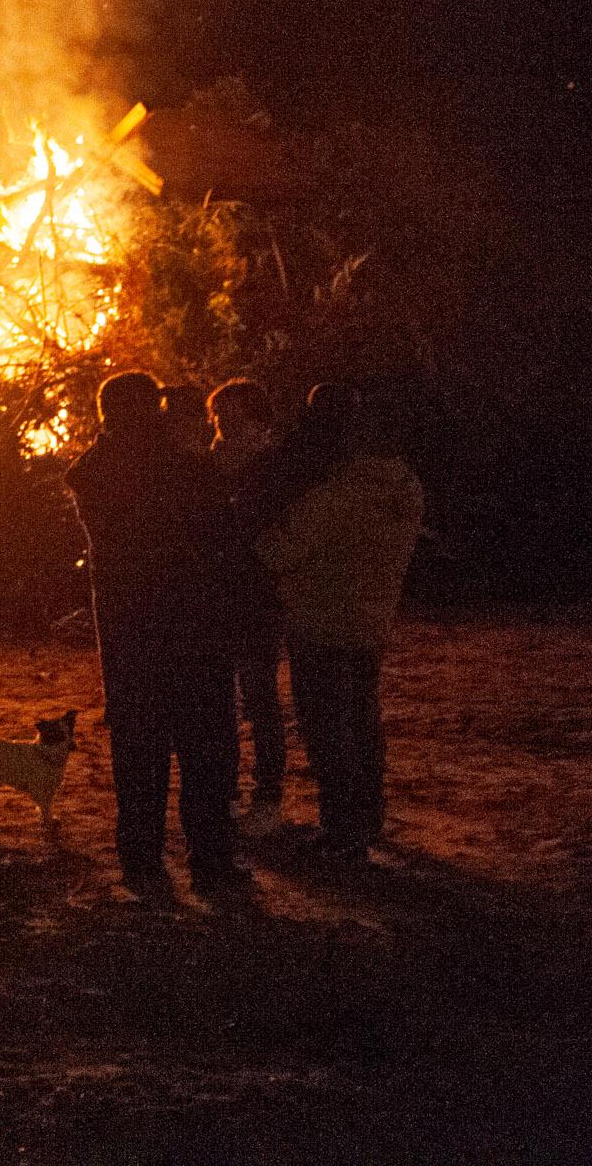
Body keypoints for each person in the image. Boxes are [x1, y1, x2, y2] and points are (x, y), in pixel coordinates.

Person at [66, 372, 243, 896]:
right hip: (196, 627)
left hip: (130, 632)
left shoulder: (94, 474)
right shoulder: (188, 470)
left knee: (138, 750)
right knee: (206, 749)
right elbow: (221, 540)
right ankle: (210, 861)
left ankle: (142, 861)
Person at [259, 388, 423, 859]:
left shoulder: (340, 494)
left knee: (327, 728)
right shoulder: (405, 488)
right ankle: (368, 819)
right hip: (371, 619)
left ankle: (341, 829)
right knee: (364, 721)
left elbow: (280, 551)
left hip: (321, 620)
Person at [208, 378, 288, 827]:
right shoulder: (206, 469)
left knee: (259, 696)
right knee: (218, 699)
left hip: (258, 596)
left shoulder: (273, 470)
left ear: (259, 421)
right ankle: (228, 790)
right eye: (221, 416)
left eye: (237, 417)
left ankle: (268, 795)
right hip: (215, 595)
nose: (227, 425)